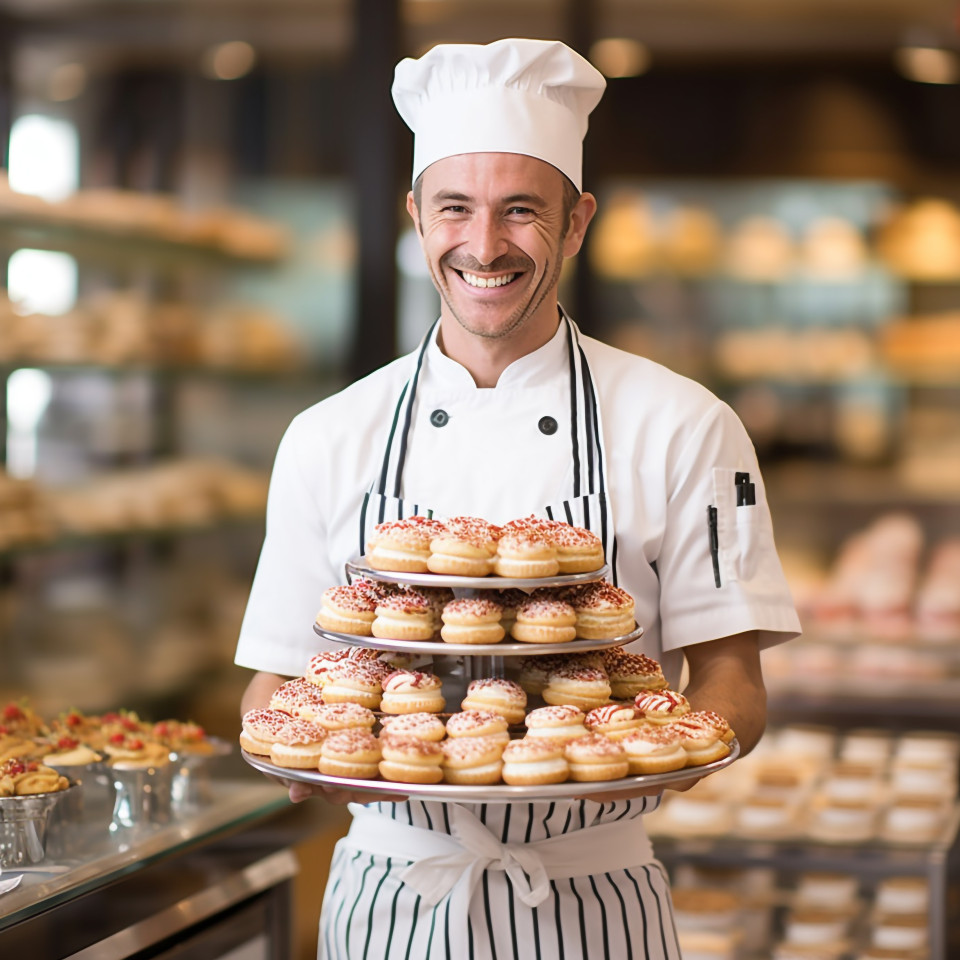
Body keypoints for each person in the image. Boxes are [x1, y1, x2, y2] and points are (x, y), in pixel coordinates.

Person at [236, 37, 801, 960]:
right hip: (389, 892)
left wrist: (656, 754)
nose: (485, 245)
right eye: (455, 208)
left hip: (593, 893)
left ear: (578, 223)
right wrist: (310, 759)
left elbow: (735, 682)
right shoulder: (327, 434)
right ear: (417, 216)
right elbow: (274, 681)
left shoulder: (685, 424)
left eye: (522, 211)